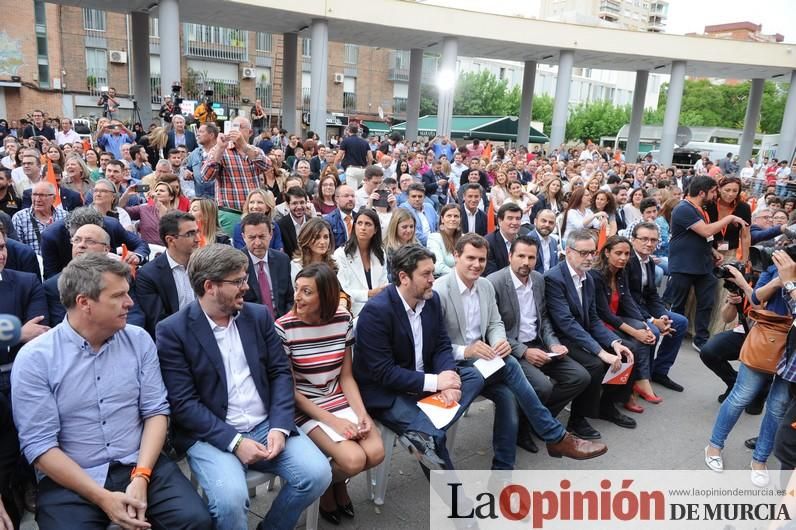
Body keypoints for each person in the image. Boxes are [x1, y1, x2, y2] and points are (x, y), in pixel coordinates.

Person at [12, 253, 213, 530]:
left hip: (139, 462)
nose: (130, 303)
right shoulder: (35, 358)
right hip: (71, 478)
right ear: (84, 303)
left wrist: (141, 476)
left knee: (196, 522)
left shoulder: (139, 340)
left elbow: (156, 411)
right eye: (119, 296)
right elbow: (40, 446)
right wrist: (103, 498)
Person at [155, 244, 331, 530]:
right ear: (209, 286)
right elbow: (183, 404)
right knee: (230, 501)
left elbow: (280, 374)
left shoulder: (258, 316)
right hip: (212, 433)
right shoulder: (173, 330)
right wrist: (234, 442)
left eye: (244, 279)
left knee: (318, 473)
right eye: (237, 281)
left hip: (265, 424)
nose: (246, 287)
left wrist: (279, 426)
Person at [435, 233, 607, 469]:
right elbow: (436, 343)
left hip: (488, 359)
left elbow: (495, 324)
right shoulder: (440, 289)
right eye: (470, 258)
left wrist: (498, 342)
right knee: (513, 366)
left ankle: (503, 472)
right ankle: (555, 436)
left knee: (507, 397)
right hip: (457, 362)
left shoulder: (484, 285)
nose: (477, 265)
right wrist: (467, 350)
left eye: (482, 260)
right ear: (456, 256)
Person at [353, 244, 485, 471]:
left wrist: (448, 377)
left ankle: (422, 426)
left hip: (425, 381)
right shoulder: (376, 312)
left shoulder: (430, 300)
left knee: (475, 376)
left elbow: (442, 344)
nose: (433, 279)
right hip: (388, 392)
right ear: (404, 277)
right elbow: (383, 373)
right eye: (426, 274)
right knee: (432, 440)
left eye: (433, 272)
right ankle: (458, 505)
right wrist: (437, 382)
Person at [275, 263, 384, 524]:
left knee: (376, 453)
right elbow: (291, 393)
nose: (297, 297)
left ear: (325, 295)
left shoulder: (342, 320)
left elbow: (346, 376)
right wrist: (334, 421)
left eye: (306, 292)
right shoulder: (283, 327)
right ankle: (329, 487)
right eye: (297, 289)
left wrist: (361, 414)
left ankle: (334, 484)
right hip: (305, 405)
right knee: (354, 460)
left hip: (338, 396)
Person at [487, 235, 590, 453]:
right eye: (521, 256)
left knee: (579, 377)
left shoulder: (538, 280)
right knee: (542, 387)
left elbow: (544, 320)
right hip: (512, 350)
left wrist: (553, 344)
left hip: (540, 345)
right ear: (510, 256)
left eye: (531, 257)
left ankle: (538, 420)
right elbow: (493, 329)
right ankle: (522, 430)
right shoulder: (494, 283)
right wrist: (524, 352)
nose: (526, 262)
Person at [545, 229, 637, 440]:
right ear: (568, 252)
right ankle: (577, 419)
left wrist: (613, 342)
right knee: (595, 364)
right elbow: (566, 323)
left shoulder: (588, 278)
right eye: (583, 253)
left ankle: (606, 407)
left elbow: (593, 318)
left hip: (581, 334)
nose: (589, 258)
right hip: (561, 339)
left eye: (592, 253)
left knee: (628, 350)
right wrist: (600, 352)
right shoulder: (554, 278)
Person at [665, 175, 748, 351]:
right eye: (712, 192)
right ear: (702, 193)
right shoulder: (683, 208)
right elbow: (705, 231)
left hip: (704, 265)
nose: (715, 195)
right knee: (678, 303)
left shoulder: (699, 208)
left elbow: (702, 236)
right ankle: (673, 335)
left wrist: (712, 250)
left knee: (706, 302)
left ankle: (700, 338)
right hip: (683, 265)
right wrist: (729, 219)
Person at [589, 236, 658, 413]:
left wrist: (644, 325)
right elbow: (604, 313)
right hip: (599, 321)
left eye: (627, 254)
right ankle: (625, 394)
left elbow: (627, 300)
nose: (623, 258)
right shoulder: (596, 275)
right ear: (606, 252)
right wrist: (635, 333)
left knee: (648, 332)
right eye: (618, 253)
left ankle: (640, 381)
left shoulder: (622, 271)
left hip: (616, 318)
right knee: (633, 344)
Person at [627, 222, 688, 392]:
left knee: (680, 322)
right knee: (653, 331)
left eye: (653, 240)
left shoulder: (649, 262)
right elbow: (627, 299)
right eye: (644, 239)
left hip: (644, 308)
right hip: (627, 311)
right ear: (633, 240)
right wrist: (652, 320)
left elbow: (652, 295)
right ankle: (641, 378)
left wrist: (662, 316)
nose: (649, 243)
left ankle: (659, 371)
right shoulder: (627, 261)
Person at [134, 211, 200, 337]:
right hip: (174, 340)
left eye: (197, 232)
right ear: (170, 240)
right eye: (190, 234)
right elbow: (159, 322)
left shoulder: (204, 266)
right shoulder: (148, 275)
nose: (197, 239)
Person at [201, 117, 270, 234]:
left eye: (240, 127)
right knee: (231, 250)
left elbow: (266, 166)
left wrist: (244, 146)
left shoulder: (256, 150)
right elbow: (206, 176)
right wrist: (220, 150)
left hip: (254, 212)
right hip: (230, 212)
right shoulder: (219, 149)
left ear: (250, 132)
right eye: (233, 126)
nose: (236, 131)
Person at [41, 206, 149, 279]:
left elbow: (141, 245)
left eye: (90, 240)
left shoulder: (112, 225)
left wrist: (136, 257)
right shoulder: (51, 236)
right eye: (77, 239)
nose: (82, 245)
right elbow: (51, 276)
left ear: (101, 228)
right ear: (70, 232)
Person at [333, 208, 387, 319]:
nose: (363, 228)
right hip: (354, 312)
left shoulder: (380, 253)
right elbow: (344, 290)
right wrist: (369, 293)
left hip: (379, 310)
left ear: (375, 229)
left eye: (368, 224)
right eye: (359, 223)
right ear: (354, 226)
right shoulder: (341, 254)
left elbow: (383, 284)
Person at [240, 212, 293, 318]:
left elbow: (289, 298)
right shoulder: (236, 264)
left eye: (262, 236)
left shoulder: (282, 260)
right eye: (252, 237)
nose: (258, 242)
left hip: (282, 321)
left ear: (271, 235)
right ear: (243, 237)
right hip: (252, 323)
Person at [12, 181, 67, 255]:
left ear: (53, 198)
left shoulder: (65, 216)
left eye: (42, 195)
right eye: (34, 195)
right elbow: (16, 248)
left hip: (58, 262)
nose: (37, 199)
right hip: (31, 263)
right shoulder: (19, 217)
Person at [124, 180, 177, 245]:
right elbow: (121, 211)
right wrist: (127, 194)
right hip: (148, 250)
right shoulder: (144, 208)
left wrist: (157, 202)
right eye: (156, 191)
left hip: (168, 249)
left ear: (171, 197)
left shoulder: (176, 213)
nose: (158, 193)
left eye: (162, 191)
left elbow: (167, 219)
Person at [290, 217, 336, 283]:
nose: (322, 242)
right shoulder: (297, 265)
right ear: (307, 239)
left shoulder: (335, 262)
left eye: (326, 237)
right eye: (317, 237)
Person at [484, 203, 525, 276]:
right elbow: (491, 275)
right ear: (500, 221)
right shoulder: (488, 243)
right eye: (510, 218)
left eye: (518, 218)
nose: (515, 222)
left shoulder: (523, 242)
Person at [276, 186, 312, 260]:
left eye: (302, 202)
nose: (299, 207)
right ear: (288, 205)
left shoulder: (312, 223)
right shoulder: (280, 225)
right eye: (294, 203)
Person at [427, 204, 461, 277]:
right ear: (442, 219)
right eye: (449, 216)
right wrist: (460, 276)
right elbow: (438, 267)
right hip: (443, 280)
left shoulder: (464, 238)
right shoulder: (434, 238)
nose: (453, 219)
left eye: (456, 216)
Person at [336, 124, 372, 190]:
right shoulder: (365, 142)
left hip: (351, 170)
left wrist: (334, 167)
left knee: (352, 192)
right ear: (357, 131)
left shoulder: (345, 141)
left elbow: (339, 157)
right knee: (358, 191)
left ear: (348, 130)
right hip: (362, 170)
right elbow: (370, 158)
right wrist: (367, 167)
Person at [326, 185, 357, 249]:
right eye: (346, 196)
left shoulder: (359, 218)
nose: (350, 199)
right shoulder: (328, 221)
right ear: (336, 199)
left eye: (353, 196)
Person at [528, 209, 559, 273]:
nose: (547, 225)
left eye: (551, 222)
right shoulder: (528, 240)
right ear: (535, 221)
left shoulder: (553, 242)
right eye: (543, 221)